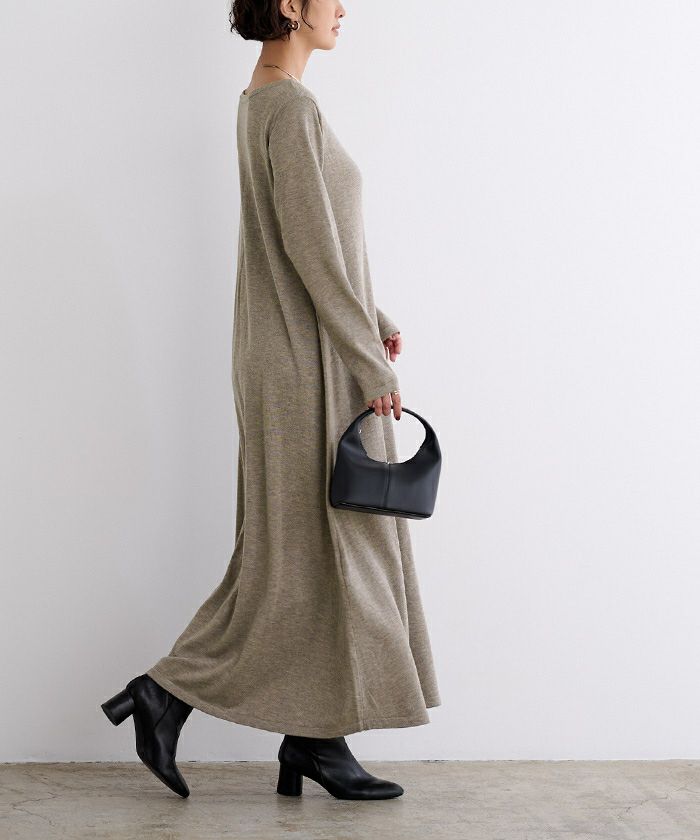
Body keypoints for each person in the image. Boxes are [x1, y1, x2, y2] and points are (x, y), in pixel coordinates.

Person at [101, 0, 441, 801]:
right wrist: (370, 362)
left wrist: (373, 318)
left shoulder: (260, 100)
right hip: (305, 365)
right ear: (290, 4)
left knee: (306, 555)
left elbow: (311, 245)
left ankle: (313, 738)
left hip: (291, 352)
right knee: (297, 558)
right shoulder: (290, 109)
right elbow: (312, 249)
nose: (344, 8)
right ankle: (169, 692)